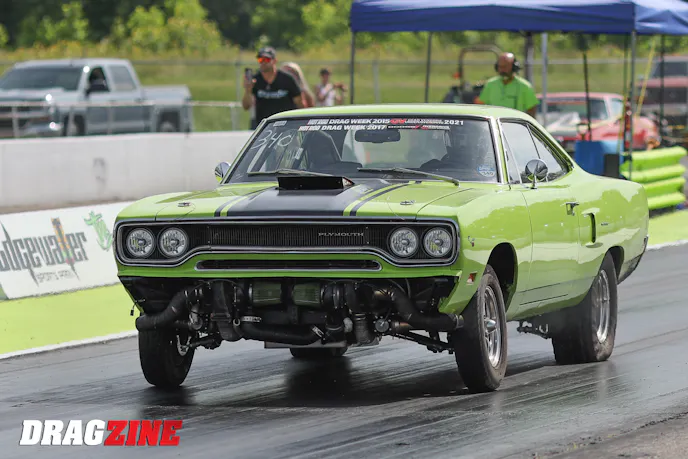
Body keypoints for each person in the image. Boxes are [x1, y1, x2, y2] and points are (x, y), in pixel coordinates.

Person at [242, 47, 303, 126]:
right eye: (260, 59)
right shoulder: (255, 80)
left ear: (274, 61)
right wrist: (248, 90)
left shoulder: (287, 79)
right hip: (264, 126)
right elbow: (246, 106)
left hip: (286, 124)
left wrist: (300, 123)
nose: (263, 62)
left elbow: (299, 103)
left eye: (266, 59)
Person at [475, 52, 539, 117]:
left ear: (514, 67)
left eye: (505, 67)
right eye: (500, 67)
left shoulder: (525, 86)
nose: (502, 70)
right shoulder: (490, 84)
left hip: (514, 122)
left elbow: (531, 109)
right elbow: (481, 104)